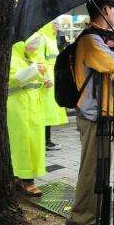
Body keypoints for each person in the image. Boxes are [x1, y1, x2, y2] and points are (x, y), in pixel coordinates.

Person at [63, 0, 114, 225]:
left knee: (101, 167)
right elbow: (110, 64)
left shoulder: (101, 39)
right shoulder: (91, 39)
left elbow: (107, 71)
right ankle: (79, 221)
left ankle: (96, 215)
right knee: (92, 169)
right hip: (94, 115)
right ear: (106, 10)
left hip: (104, 113)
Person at [7, 34, 47, 196]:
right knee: (21, 142)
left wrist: (43, 75)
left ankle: (23, 175)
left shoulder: (28, 57)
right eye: (33, 44)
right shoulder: (12, 56)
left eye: (37, 44)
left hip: (33, 105)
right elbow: (13, 79)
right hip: (18, 105)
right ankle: (25, 178)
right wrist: (34, 70)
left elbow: (39, 79)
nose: (35, 47)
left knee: (34, 141)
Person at [37, 21, 69, 150]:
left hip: (51, 78)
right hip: (46, 80)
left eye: (57, 22)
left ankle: (46, 140)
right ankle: (44, 141)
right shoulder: (42, 38)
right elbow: (38, 60)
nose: (57, 24)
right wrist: (45, 78)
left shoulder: (51, 38)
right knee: (45, 111)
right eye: (53, 22)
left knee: (48, 111)